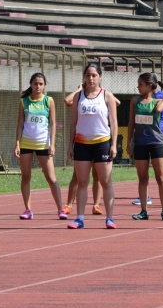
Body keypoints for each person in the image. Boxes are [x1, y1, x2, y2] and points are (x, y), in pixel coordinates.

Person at [66, 63, 118, 229]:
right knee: (82, 181)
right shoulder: (78, 96)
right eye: (88, 75)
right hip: (82, 143)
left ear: (100, 77)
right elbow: (73, 122)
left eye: (94, 75)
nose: (91, 78)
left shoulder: (107, 96)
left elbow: (114, 122)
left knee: (105, 181)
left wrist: (114, 144)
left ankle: (109, 218)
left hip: (102, 143)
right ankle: (80, 218)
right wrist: (70, 145)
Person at [14, 72, 66, 220]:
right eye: (35, 83)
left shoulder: (49, 101)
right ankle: (28, 209)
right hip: (26, 143)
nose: (38, 86)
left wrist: (52, 144)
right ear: (31, 84)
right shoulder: (24, 102)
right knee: (26, 177)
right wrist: (17, 143)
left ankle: (60, 209)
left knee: (51, 178)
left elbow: (53, 124)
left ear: (44, 85)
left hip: (43, 144)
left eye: (41, 84)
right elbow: (20, 124)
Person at [128, 73, 163, 221]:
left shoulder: (159, 101)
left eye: (140, 84)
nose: (138, 87)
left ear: (149, 85)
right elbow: (131, 122)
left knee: (161, 177)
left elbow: (159, 110)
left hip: (156, 143)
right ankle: (143, 211)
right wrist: (128, 142)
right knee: (142, 178)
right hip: (140, 143)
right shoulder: (134, 101)